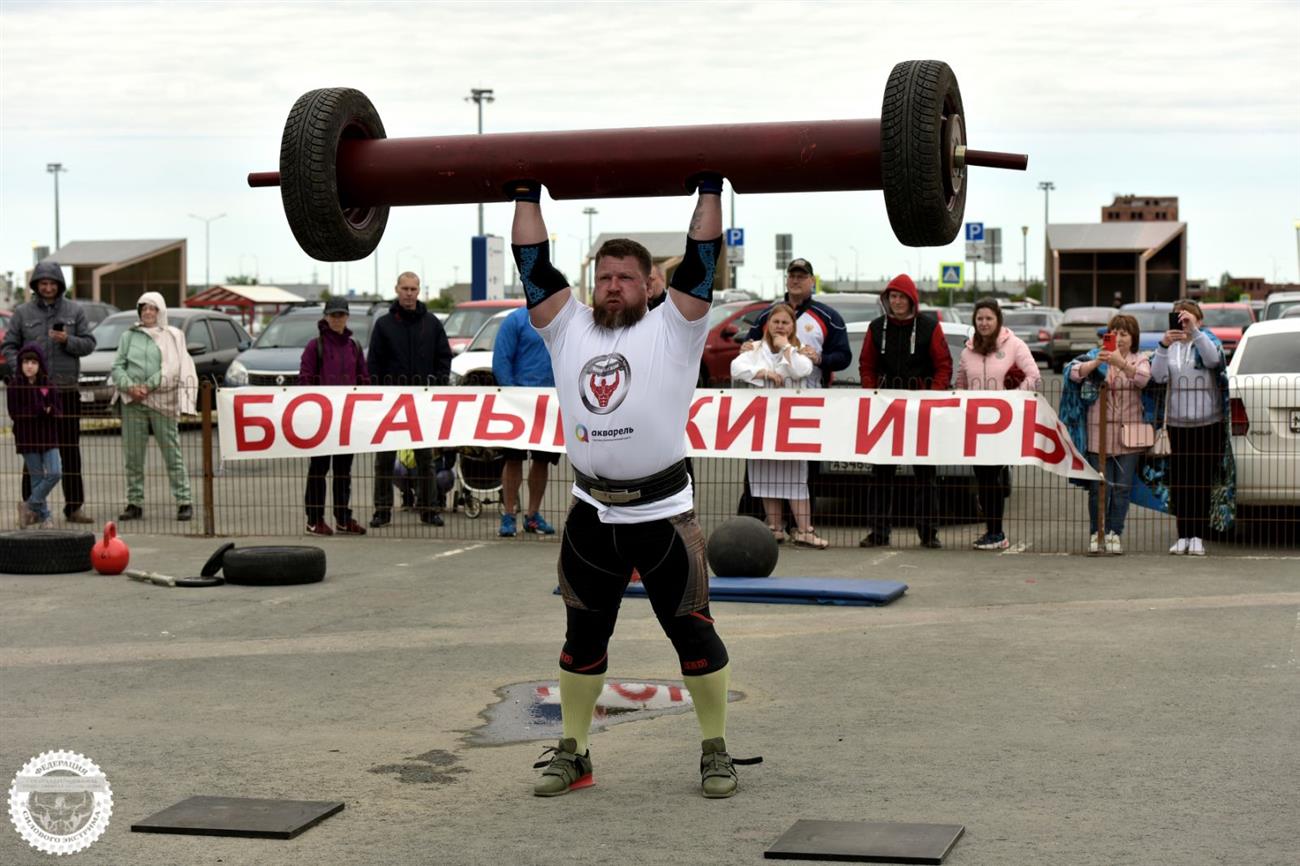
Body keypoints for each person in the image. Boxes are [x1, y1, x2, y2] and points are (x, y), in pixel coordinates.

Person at [511, 173, 752, 799]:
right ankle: (575, 753)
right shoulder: (568, 327)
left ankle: (715, 750)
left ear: (650, 284)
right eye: (604, 276)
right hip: (591, 516)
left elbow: (701, 257)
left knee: (694, 633)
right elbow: (532, 264)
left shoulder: (675, 326)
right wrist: (523, 192)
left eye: (625, 277)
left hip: (664, 514)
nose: (612, 286)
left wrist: (707, 184)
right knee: (580, 641)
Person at [857, 274, 953, 548]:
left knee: (925, 475)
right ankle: (878, 532)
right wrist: (872, 393)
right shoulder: (877, 328)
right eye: (892, 297)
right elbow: (867, 365)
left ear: (912, 299)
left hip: (920, 410)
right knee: (881, 474)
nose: (897, 302)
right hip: (886, 409)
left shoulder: (929, 327)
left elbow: (944, 365)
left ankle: (928, 533)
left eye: (901, 297)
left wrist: (932, 397)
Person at [1, 261, 95, 523]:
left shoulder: (74, 311)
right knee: (32, 449)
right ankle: (31, 509)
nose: (48, 287)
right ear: (35, 286)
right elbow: (9, 346)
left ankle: (74, 507)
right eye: (43, 283)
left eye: (53, 283)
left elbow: (89, 343)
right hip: (31, 394)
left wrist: (68, 341)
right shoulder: (22, 313)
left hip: (64, 391)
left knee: (69, 449)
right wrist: (19, 369)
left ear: (60, 286)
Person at [730, 303, 828, 549]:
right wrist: (762, 372)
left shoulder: (798, 350)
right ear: (768, 324)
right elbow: (736, 368)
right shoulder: (755, 349)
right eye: (776, 322)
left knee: (795, 476)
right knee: (765, 474)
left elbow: (803, 370)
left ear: (792, 326)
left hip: (791, 424)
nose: (780, 326)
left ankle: (805, 530)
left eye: (785, 323)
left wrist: (786, 348)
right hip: (762, 422)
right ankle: (775, 527)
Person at [367, 272, 453, 528]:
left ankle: (428, 509)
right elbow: (374, 363)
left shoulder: (432, 323)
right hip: (389, 402)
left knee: (426, 458)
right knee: (384, 459)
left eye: (413, 288)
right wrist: (378, 392)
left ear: (419, 291)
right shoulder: (383, 325)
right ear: (396, 289)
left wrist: (437, 383)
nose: (408, 293)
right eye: (404, 288)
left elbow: (443, 357)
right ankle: (382, 511)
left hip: (421, 402)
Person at [954, 298, 1041, 550]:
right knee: (982, 477)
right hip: (974, 425)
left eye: (989, 318)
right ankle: (992, 530)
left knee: (992, 476)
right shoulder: (967, 351)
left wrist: (1011, 399)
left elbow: (1033, 375)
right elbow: (961, 384)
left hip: (1001, 423)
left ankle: (997, 533)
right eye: (979, 319)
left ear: (998, 320)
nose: (984, 323)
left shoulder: (1014, 345)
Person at [1151, 300, 1235, 556]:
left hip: (1208, 423)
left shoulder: (1208, 341)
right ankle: (1183, 535)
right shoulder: (1170, 347)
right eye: (1179, 318)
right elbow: (1158, 376)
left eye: (1188, 318)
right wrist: (1164, 345)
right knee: (1181, 482)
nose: (1183, 323)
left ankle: (1198, 535)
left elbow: (1213, 361)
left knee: (1200, 481)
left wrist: (1195, 333)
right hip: (1178, 424)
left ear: (1198, 320)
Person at [1066, 314, 1150, 554]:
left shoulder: (1140, 359)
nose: (1120, 338)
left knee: (1122, 487)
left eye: (1125, 334)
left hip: (1130, 432)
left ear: (1133, 338)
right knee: (1099, 487)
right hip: (1098, 432)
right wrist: (1098, 362)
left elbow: (1144, 380)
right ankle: (1097, 532)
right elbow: (1073, 372)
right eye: (1115, 333)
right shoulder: (1096, 356)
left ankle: (1114, 533)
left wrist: (1121, 363)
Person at [109, 292, 197, 521]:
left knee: (172, 452)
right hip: (132, 402)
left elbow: (173, 368)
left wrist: (147, 387)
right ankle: (134, 503)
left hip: (162, 401)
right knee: (133, 455)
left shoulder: (172, 336)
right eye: (144, 308)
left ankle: (184, 501)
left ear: (161, 311)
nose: (148, 313)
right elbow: (118, 366)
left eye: (153, 308)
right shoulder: (129, 336)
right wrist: (130, 387)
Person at [298, 298, 369, 536]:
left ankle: (342, 517)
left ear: (347, 317)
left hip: (346, 420)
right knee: (318, 469)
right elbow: (304, 380)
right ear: (326, 317)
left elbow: (364, 380)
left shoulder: (354, 347)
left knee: (343, 471)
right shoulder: (314, 346)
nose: (337, 319)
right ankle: (314, 519)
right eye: (333, 315)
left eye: (341, 315)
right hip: (320, 420)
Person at [491, 305, 559, 537]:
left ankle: (533, 515)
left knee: (542, 461)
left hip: (549, 403)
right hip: (518, 402)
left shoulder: (559, 321)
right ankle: (509, 514)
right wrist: (512, 395)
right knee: (513, 460)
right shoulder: (515, 320)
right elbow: (501, 359)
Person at [741, 258, 851, 387]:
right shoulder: (767, 315)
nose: (795, 281)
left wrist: (820, 359)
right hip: (771, 395)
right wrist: (746, 347)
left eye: (801, 277)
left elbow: (844, 357)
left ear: (812, 281)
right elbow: (749, 349)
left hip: (812, 395)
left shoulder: (829, 317)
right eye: (792, 276)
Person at [6, 344, 62, 528]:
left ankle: (29, 505)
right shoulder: (15, 386)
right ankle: (45, 517)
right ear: (20, 364)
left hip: (49, 437)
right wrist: (39, 410)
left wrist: (51, 410)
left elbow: (58, 410)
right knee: (37, 478)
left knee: (55, 472)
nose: (29, 366)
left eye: (33, 362)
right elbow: (15, 413)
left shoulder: (48, 384)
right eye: (25, 362)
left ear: (40, 365)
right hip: (27, 439)